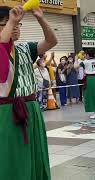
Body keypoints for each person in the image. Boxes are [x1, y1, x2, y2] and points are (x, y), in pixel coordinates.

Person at [0, 5, 57, 180]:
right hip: (7, 112)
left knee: (35, 153)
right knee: (13, 158)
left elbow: (51, 41)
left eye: (18, 23)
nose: (15, 26)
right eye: (6, 22)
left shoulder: (25, 48)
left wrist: (40, 18)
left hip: (31, 109)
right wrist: (11, 21)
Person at [80, 49, 95, 119]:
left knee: (91, 95)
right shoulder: (94, 61)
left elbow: (76, 66)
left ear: (87, 55)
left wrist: (76, 59)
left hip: (90, 79)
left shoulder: (86, 62)